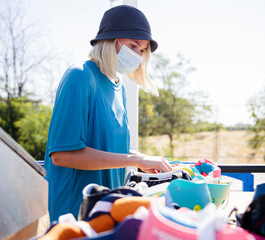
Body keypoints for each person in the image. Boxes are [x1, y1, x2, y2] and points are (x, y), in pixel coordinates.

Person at [44, 5, 172, 222]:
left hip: (106, 212)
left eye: (142, 51)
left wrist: (142, 159)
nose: (137, 55)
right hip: (75, 215)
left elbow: (107, 146)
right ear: (110, 40)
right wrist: (133, 159)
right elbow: (62, 155)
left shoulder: (117, 85)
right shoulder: (80, 76)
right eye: (133, 45)